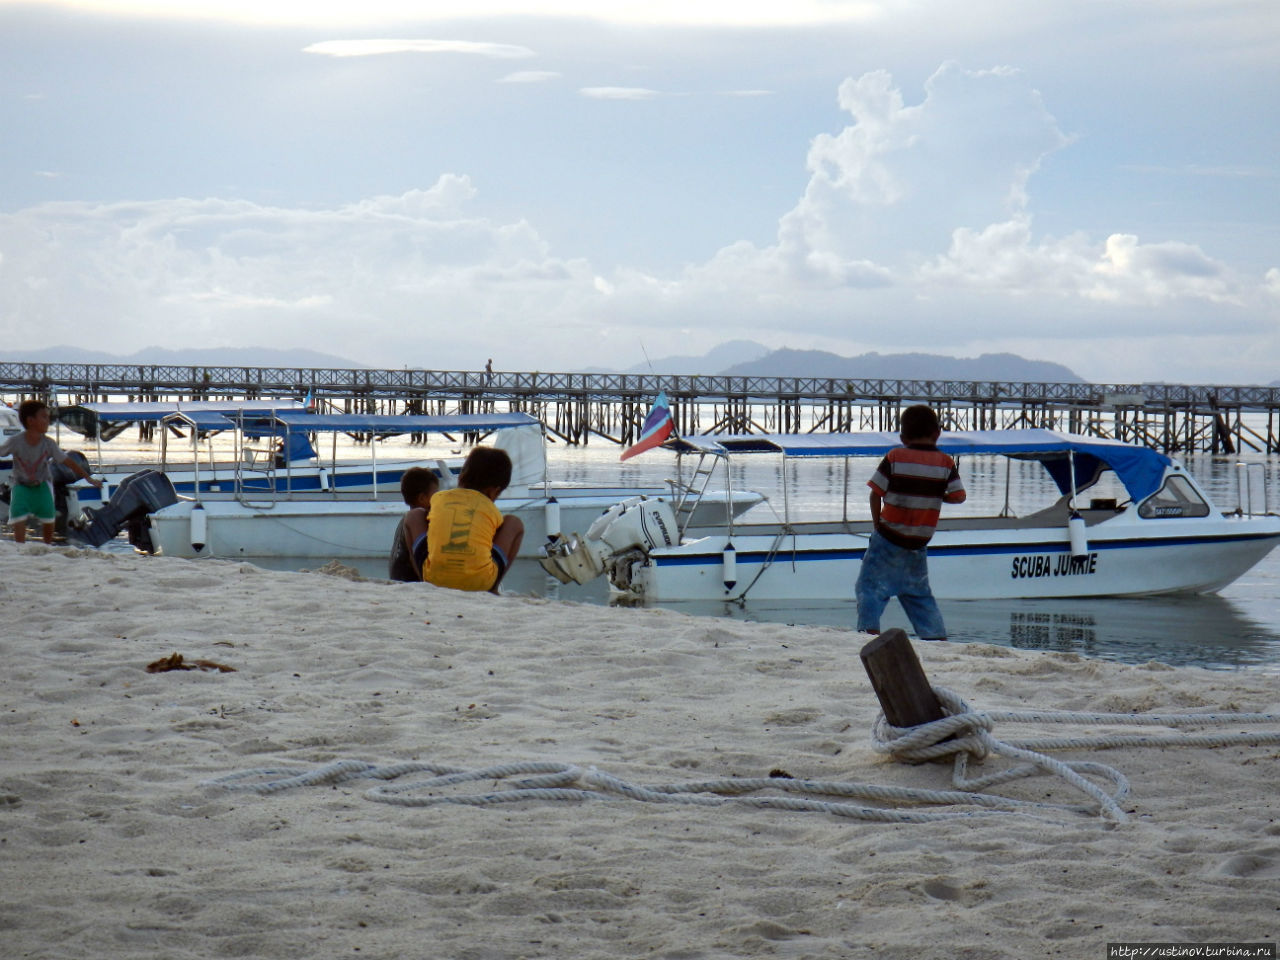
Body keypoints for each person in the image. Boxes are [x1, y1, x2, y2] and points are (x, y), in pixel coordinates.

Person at [855, 404, 966, 641]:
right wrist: (936, 495)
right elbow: (959, 497)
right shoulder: (946, 462)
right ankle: (935, 636)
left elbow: (876, 493)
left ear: (903, 436)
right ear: (937, 433)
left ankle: (868, 632)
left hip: (889, 536)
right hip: (918, 541)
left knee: (870, 588)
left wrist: (877, 526)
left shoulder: (895, 456)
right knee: (918, 594)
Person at [423, 446, 524, 593]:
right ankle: (494, 587)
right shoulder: (490, 509)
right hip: (481, 583)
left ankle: (421, 578)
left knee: (415, 516)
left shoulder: (438, 498)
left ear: (461, 477)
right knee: (514, 523)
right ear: (494, 491)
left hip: (434, 580)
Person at [1, 399, 103, 544]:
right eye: (44, 417)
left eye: (48, 417)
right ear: (30, 421)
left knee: (49, 521)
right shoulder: (15, 441)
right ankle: (20, 549)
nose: (48, 421)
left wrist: (88, 478)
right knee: (18, 519)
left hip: (42, 486)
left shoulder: (48, 443)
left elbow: (68, 462)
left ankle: (47, 546)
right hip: (21, 487)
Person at [388, 467, 439, 582]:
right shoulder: (418, 517)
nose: (438, 499)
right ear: (421, 498)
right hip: (408, 579)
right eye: (435, 495)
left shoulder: (405, 519)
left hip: (397, 575)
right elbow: (414, 556)